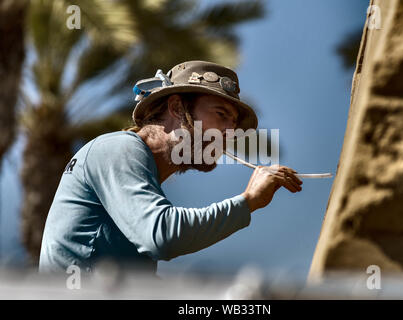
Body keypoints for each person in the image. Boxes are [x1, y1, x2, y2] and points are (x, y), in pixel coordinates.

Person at [39, 61, 302, 274]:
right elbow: (161, 236)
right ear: (176, 107)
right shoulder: (119, 148)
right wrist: (248, 201)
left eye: (233, 125)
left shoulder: (137, 172)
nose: (230, 133)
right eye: (221, 115)